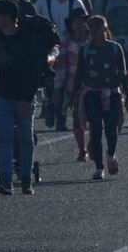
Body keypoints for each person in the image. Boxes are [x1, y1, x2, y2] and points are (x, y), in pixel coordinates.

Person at [0, 0, 52, 195]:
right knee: (3, 138)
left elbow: (34, 70)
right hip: (2, 95)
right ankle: (5, 180)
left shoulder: (25, 37)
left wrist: (27, 98)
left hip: (23, 96)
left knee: (26, 139)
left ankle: (26, 178)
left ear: (7, 16)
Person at [73, 16, 127, 180]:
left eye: (100, 29)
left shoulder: (115, 48)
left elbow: (123, 72)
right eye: (93, 29)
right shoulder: (85, 50)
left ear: (106, 29)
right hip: (91, 94)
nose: (96, 33)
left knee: (111, 128)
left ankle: (111, 153)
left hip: (111, 93)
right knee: (95, 130)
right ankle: (99, 167)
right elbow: (79, 74)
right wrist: (73, 97)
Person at [53, 9, 89, 155]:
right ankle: (82, 149)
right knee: (77, 118)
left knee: (94, 117)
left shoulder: (94, 38)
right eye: (76, 22)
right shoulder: (66, 41)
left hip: (94, 84)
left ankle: (93, 144)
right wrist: (57, 88)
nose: (79, 25)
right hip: (73, 85)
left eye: (82, 21)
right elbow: (61, 65)